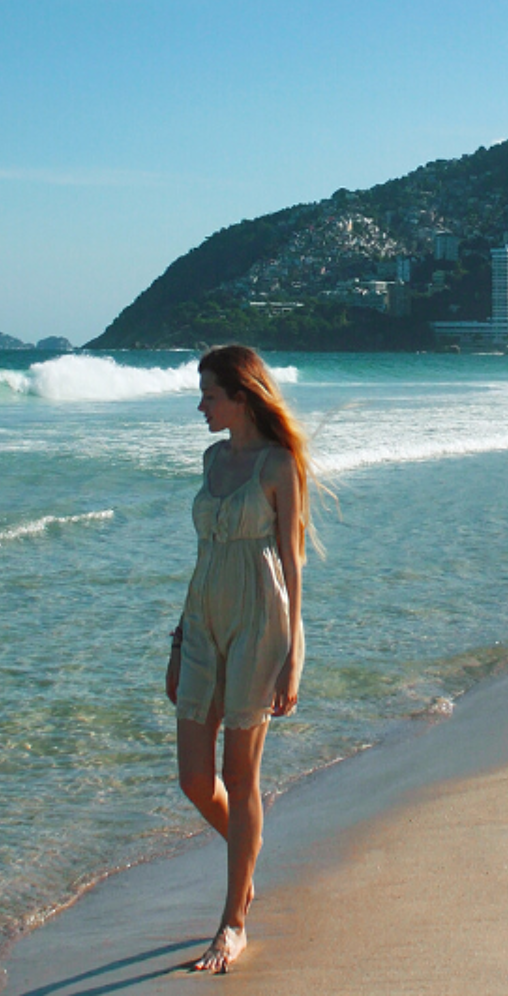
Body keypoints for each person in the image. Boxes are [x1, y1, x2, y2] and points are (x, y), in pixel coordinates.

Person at [167, 344, 319, 973]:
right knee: (195, 779)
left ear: (241, 395)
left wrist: (294, 654)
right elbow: (202, 557)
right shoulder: (211, 460)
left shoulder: (278, 465)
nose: (201, 406)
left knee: (242, 776)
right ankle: (246, 857)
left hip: (261, 623)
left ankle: (233, 921)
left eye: (209, 394)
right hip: (203, 619)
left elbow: (292, 563)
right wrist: (178, 642)